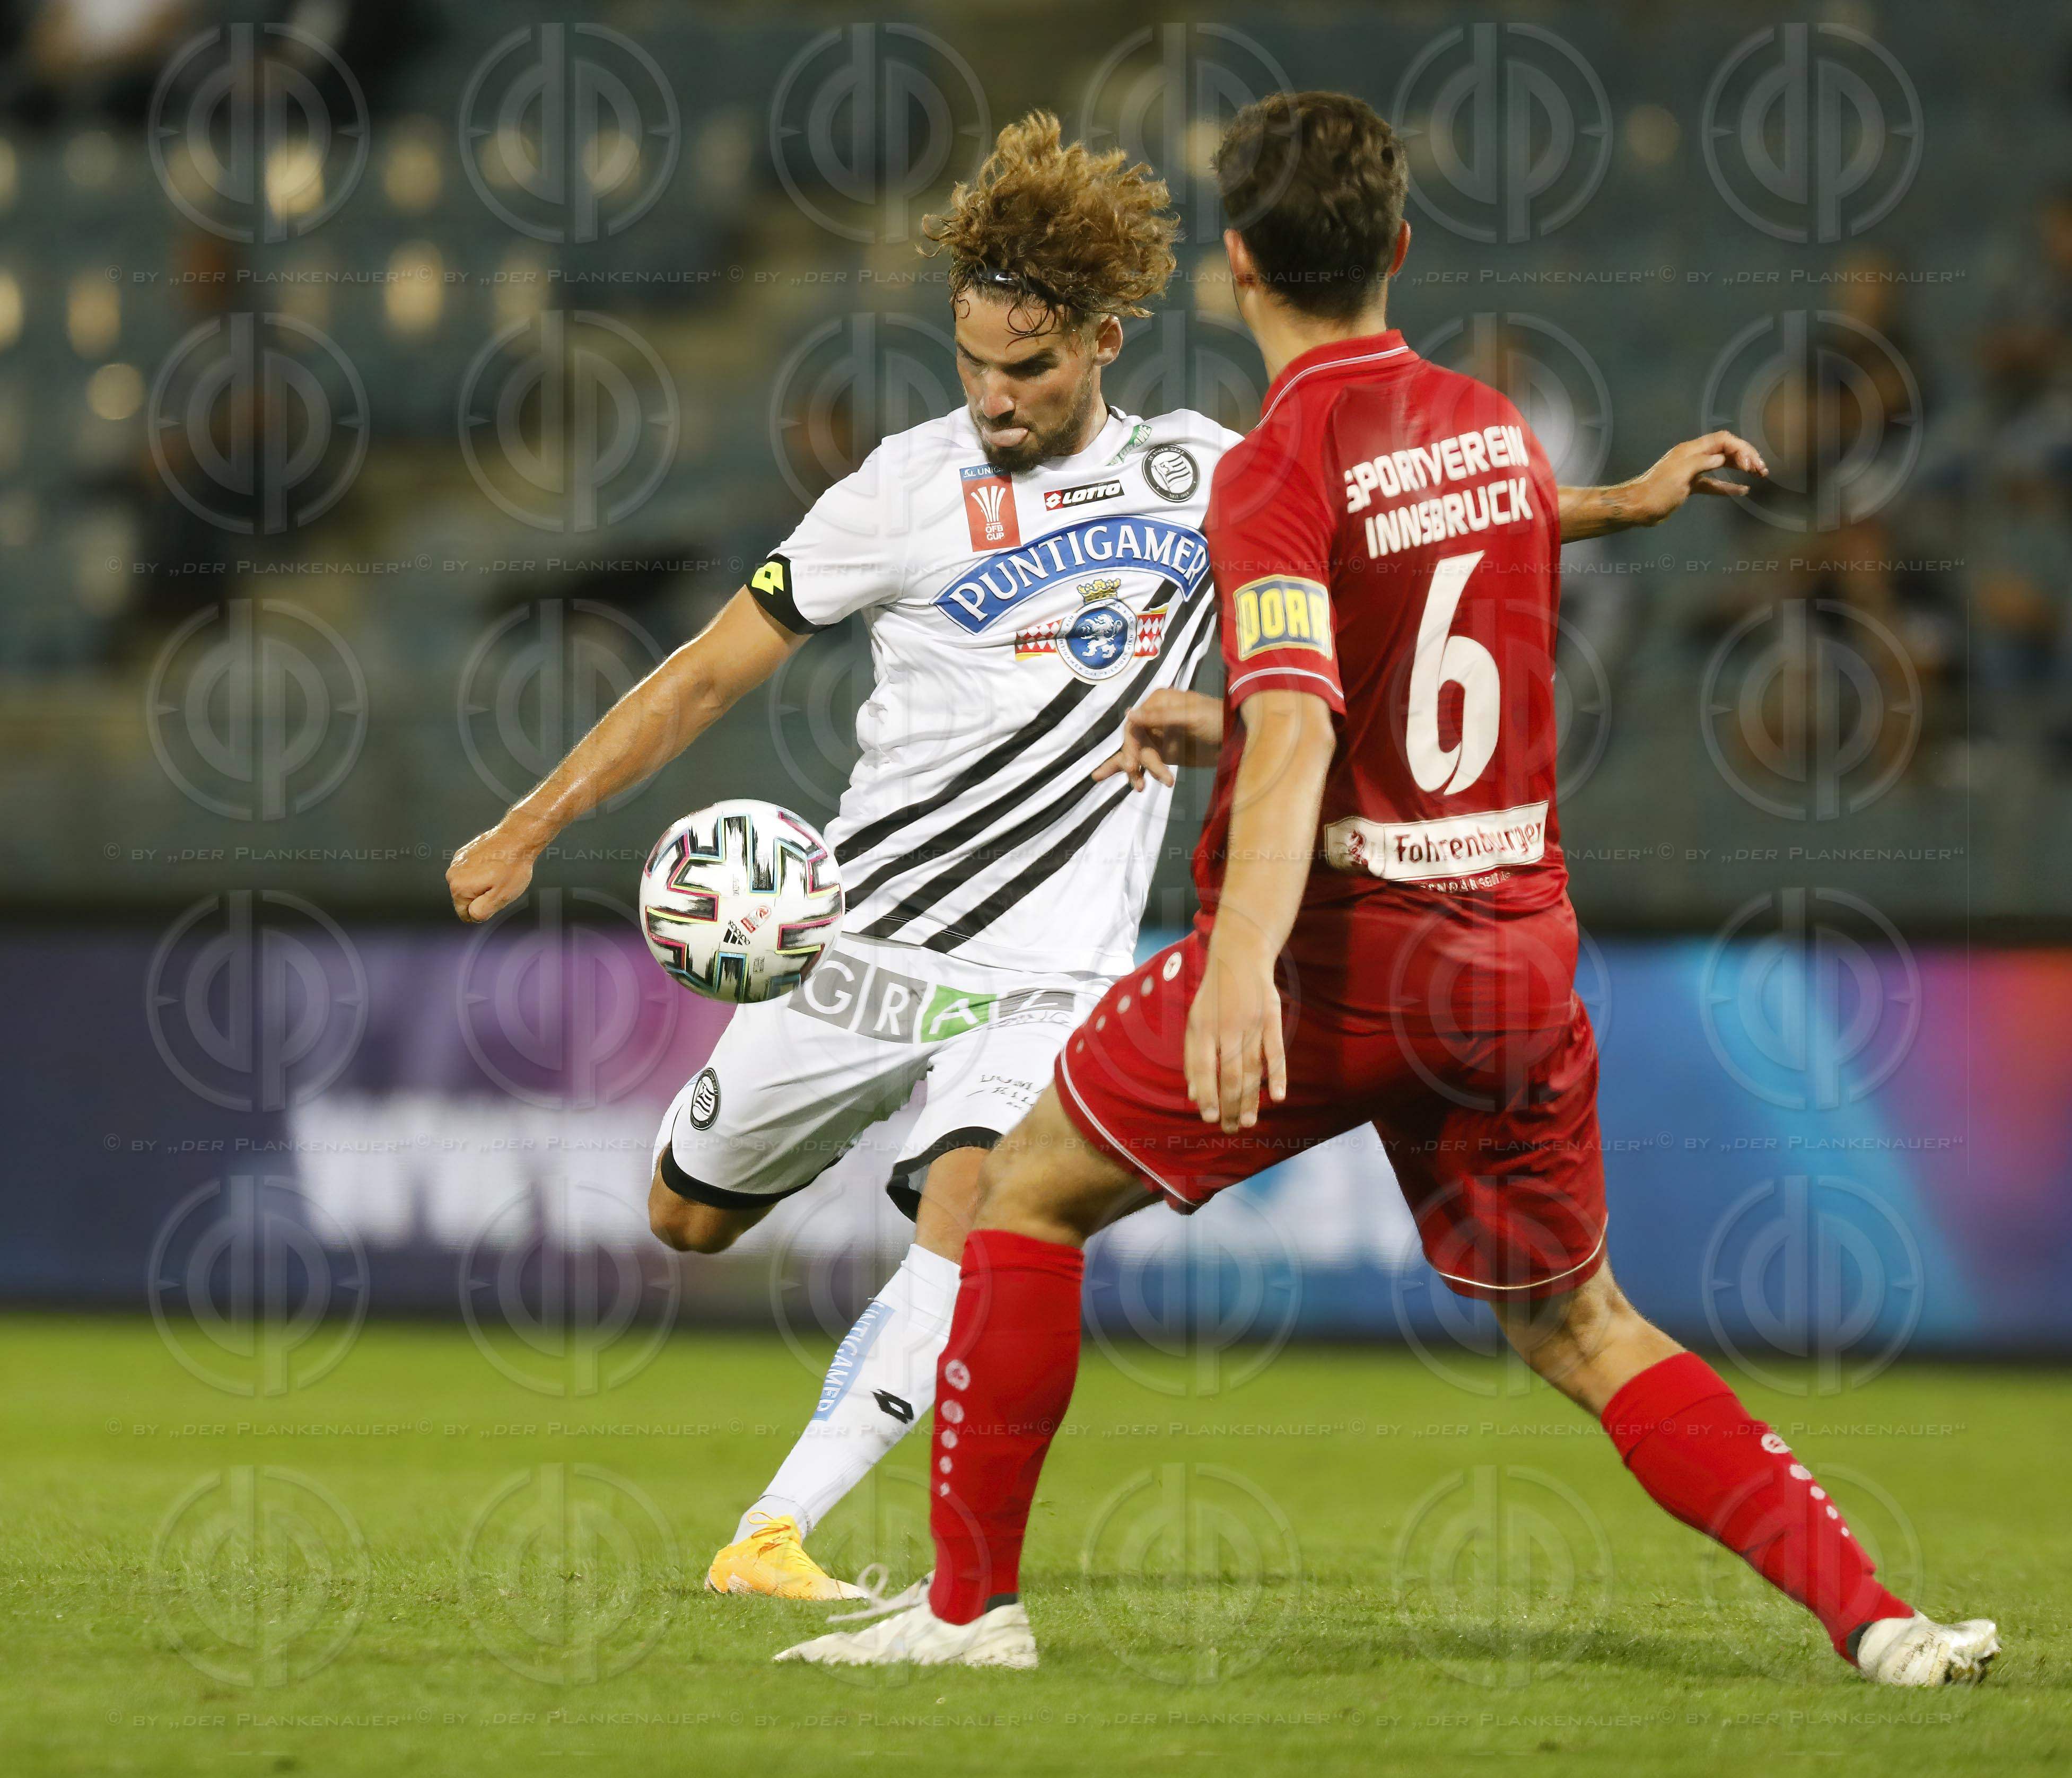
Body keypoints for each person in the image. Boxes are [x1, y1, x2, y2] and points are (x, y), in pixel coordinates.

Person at [449, 109, 1772, 1609]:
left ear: (1103, 339)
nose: (997, 399)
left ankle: (774, 1532)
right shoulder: (899, 489)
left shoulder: (1206, 475)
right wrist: (531, 821)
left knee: (980, 1201)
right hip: (861, 946)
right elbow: (700, 673)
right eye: (974, 366)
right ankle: (821, 1262)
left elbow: (1416, 532)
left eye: (1030, 368)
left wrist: (1623, 502)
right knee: (684, 1218)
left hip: (1048, 975)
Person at [774, 91, 1996, 1691]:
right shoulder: (1486, 425)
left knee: (1021, 1192)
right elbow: (1403, 627)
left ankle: (965, 1612)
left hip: (1338, 958)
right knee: (1580, 1325)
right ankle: (1881, 1622)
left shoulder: (1274, 467)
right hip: (1509, 964)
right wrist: (1621, 502)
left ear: (1235, 268)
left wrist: (1231, 968)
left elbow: (1296, 722)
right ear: (1400, 249)